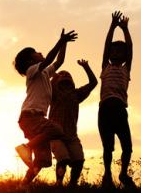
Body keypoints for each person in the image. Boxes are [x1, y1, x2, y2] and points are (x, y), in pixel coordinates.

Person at [14, 28, 78, 184]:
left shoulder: (43, 73)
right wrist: (60, 41)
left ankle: (23, 185)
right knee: (56, 129)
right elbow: (49, 59)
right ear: (30, 61)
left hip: (34, 119)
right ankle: (26, 147)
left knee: (43, 160)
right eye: (35, 52)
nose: (40, 52)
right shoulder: (32, 71)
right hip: (31, 116)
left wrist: (65, 44)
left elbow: (59, 61)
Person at [98, 11, 135, 188]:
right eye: (114, 50)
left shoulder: (126, 69)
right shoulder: (105, 66)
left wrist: (125, 29)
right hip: (105, 110)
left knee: (127, 147)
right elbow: (106, 46)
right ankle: (107, 175)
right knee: (108, 147)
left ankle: (123, 174)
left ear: (125, 55)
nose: (115, 52)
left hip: (120, 110)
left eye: (120, 50)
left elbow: (130, 48)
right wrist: (112, 26)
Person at [49, 59, 97, 188]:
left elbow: (93, 83)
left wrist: (86, 67)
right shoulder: (53, 94)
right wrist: (54, 75)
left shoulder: (76, 94)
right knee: (63, 159)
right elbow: (48, 85)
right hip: (55, 135)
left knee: (79, 161)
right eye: (62, 75)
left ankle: (72, 184)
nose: (65, 76)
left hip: (71, 136)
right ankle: (58, 183)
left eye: (68, 75)